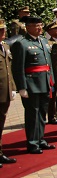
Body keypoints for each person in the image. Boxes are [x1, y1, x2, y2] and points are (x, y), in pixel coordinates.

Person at [11, 16, 55, 154]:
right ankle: (32, 142)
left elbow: (49, 64)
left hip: (45, 82)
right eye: (36, 26)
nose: (40, 28)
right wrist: (21, 87)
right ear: (27, 27)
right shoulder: (22, 43)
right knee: (32, 114)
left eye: (41, 25)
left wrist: (52, 81)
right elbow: (18, 67)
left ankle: (40, 139)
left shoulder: (43, 41)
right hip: (32, 84)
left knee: (42, 113)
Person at [0, 21, 17, 166]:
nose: (3, 32)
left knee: (1, 121)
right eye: (0, 30)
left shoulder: (5, 46)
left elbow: (8, 70)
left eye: (3, 30)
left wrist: (12, 87)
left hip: (4, 91)